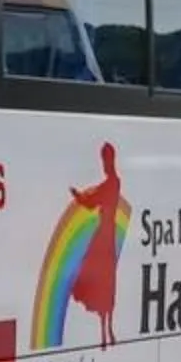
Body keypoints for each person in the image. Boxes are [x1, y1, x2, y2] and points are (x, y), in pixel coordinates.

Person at [70, 144, 126, 348]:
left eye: (105, 160)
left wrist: (79, 196)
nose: (104, 165)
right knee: (107, 280)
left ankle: (107, 330)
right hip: (107, 234)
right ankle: (106, 330)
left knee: (105, 280)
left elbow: (93, 197)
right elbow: (94, 196)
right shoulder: (112, 183)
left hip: (105, 235)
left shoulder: (113, 183)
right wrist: (82, 197)